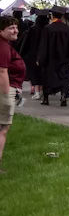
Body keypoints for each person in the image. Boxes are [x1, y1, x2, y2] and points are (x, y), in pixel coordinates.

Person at [0, 15, 27, 173]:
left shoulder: (5, 45)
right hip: (5, 91)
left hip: (9, 88)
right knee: (3, 129)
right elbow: (2, 71)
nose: (15, 30)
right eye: (11, 27)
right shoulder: (3, 47)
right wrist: (6, 96)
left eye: (16, 27)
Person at [37, 7, 69, 106]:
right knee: (64, 77)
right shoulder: (68, 29)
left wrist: (40, 58)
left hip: (50, 58)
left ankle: (46, 98)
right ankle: (64, 96)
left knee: (47, 77)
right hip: (64, 57)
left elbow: (43, 45)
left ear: (52, 15)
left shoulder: (48, 28)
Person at [22, 8, 49, 102]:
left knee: (35, 73)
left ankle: (37, 92)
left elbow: (26, 43)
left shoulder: (33, 29)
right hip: (46, 54)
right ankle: (42, 91)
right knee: (44, 73)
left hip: (33, 54)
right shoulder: (49, 29)